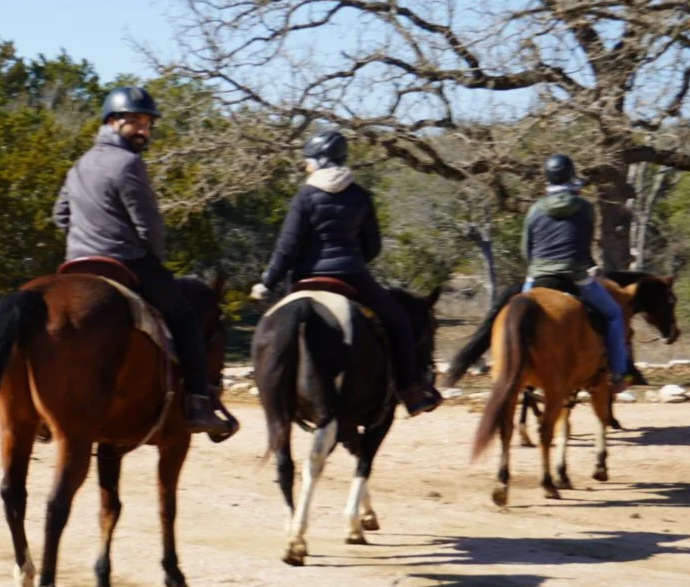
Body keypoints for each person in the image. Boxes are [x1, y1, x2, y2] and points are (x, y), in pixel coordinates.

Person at [52, 86, 236, 438]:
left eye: (147, 123)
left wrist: (86, 239)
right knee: (183, 314)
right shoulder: (129, 163)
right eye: (134, 121)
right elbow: (148, 224)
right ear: (111, 121)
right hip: (126, 261)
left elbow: (60, 215)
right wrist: (155, 260)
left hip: (77, 262)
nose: (143, 130)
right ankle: (199, 402)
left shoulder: (79, 165)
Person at [248, 130, 441, 416]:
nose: (305, 165)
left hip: (305, 278)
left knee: (271, 326)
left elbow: (287, 245)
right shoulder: (360, 196)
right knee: (399, 322)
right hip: (352, 275)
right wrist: (353, 261)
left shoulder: (305, 196)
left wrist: (268, 281)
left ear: (319, 160)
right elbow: (372, 245)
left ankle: (266, 380)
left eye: (308, 160)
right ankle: (410, 389)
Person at [520, 153, 631, 393]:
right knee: (613, 314)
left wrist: (537, 269)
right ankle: (618, 373)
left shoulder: (534, 210)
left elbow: (526, 249)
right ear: (571, 175)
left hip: (537, 276)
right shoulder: (585, 208)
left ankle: (506, 368)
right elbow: (584, 243)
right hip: (575, 275)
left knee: (512, 316)